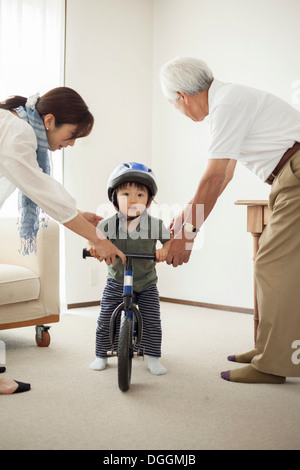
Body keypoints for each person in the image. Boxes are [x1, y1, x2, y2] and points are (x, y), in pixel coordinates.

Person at [159, 56, 300, 384]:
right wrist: (185, 214)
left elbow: (216, 177)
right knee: (271, 265)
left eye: (172, 104)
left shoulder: (227, 106)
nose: (177, 111)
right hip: (288, 176)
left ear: (183, 96)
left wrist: (188, 235)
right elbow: (226, 172)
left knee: (272, 265)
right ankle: (268, 347)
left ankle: (273, 363)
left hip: (294, 174)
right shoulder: (229, 99)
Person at [0, 87, 126, 394]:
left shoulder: (16, 125)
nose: (69, 144)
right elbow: (39, 188)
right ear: (50, 120)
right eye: (70, 135)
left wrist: (77, 213)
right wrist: (99, 240)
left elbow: (37, 184)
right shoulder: (18, 132)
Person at [89, 162, 172, 375]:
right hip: (117, 280)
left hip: (146, 282)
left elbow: (169, 242)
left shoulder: (155, 224)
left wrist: (165, 249)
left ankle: (153, 357)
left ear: (149, 200)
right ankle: (101, 354)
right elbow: (93, 241)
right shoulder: (107, 225)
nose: (132, 199)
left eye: (140, 195)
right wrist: (93, 249)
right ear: (115, 197)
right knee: (107, 316)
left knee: (152, 319)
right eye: (126, 194)